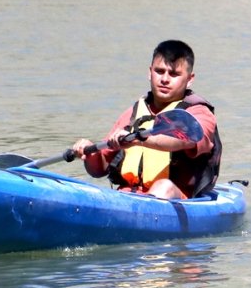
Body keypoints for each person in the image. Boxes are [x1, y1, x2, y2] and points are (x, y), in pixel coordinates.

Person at [73, 39, 222, 200]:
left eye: (174, 74)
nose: (165, 79)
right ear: (149, 72)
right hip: (129, 195)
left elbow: (186, 140)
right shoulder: (133, 114)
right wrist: (89, 153)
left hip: (177, 198)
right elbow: (99, 169)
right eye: (159, 71)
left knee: (163, 187)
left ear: (189, 79)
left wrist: (138, 139)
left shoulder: (199, 113)